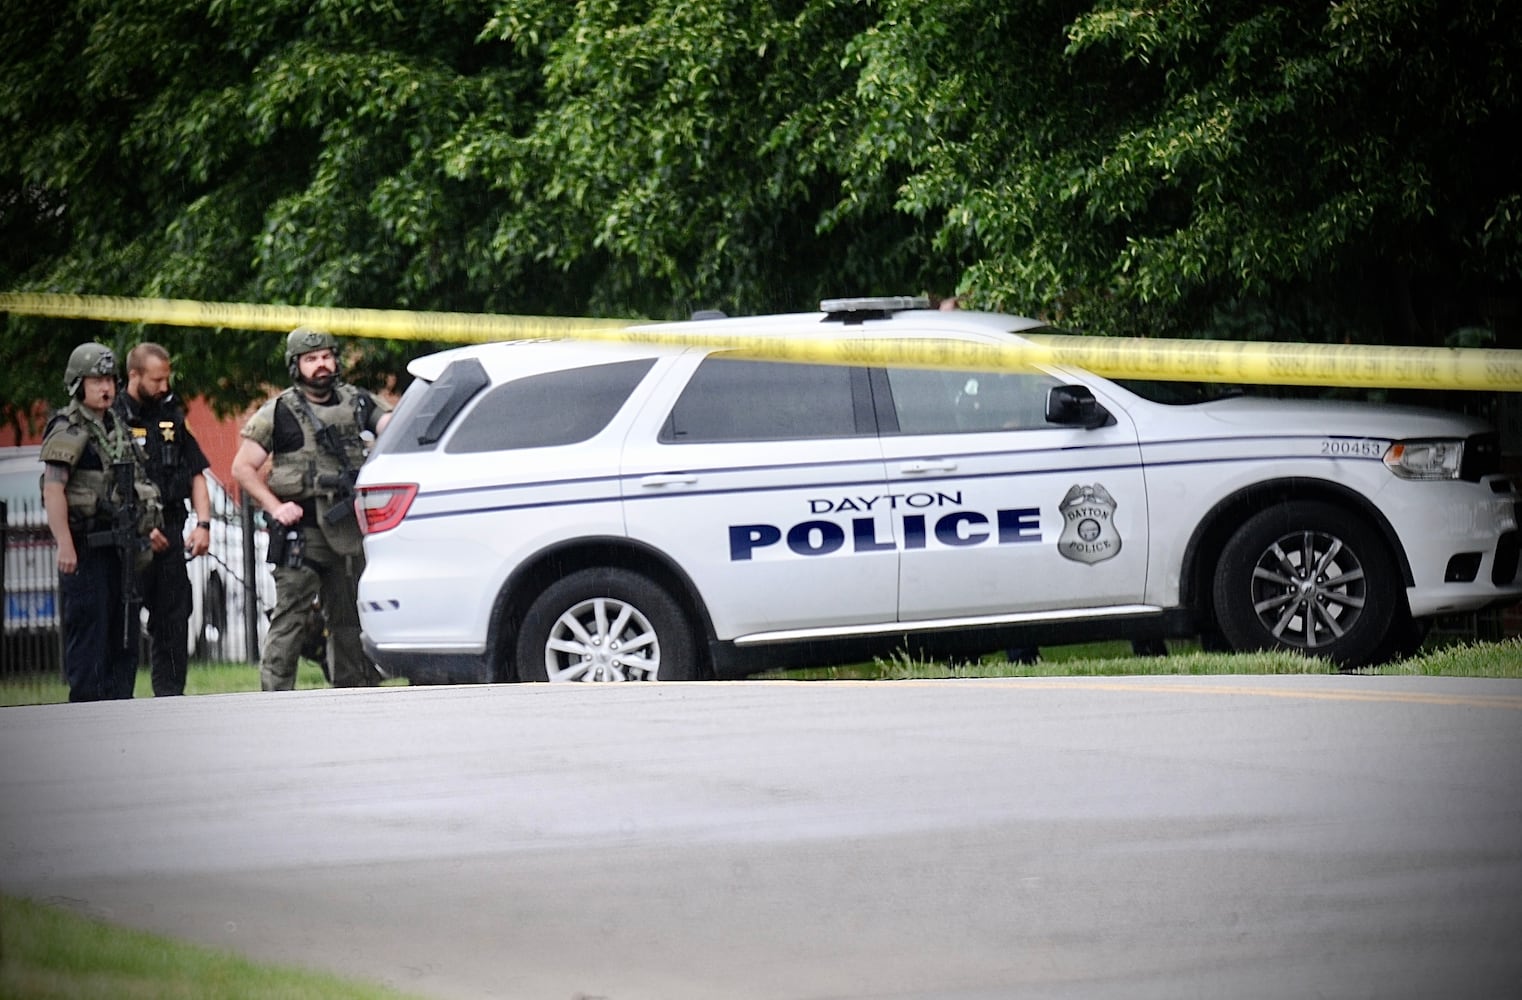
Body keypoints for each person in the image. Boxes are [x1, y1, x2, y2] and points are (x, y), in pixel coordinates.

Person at [231, 327, 392, 690]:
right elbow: (242, 468)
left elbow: (393, 427)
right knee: (291, 617)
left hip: (348, 529)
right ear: (296, 365)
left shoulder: (358, 402)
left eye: (325, 356)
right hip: (302, 531)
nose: (320, 365)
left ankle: (355, 694)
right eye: (310, 359)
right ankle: (276, 697)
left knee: (349, 619)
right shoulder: (279, 411)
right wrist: (275, 507)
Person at [40, 343, 168, 702]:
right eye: (96, 380)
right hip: (88, 549)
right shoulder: (68, 427)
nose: (106, 387)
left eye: (110, 379)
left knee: (124, 638)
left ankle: (118, 713)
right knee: (90, 638)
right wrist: (64, 543)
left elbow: (136, 484)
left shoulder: (118, 427)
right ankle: (86, 712)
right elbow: (53, 489)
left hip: (123, 550)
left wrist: (148, 526)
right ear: (78, 384)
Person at [115, 342, 213, 696]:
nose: (164, 387)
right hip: (128, 539)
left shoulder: (172, 415)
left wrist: (203, 525)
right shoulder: (113, 417)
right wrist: (143, 528)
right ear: (134, 375)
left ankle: (170, 697)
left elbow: (197, 473)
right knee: (122, 623)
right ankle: (115, 699)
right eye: (156, 380)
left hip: (170, 533)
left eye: (166, 379)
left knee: (173, 619)